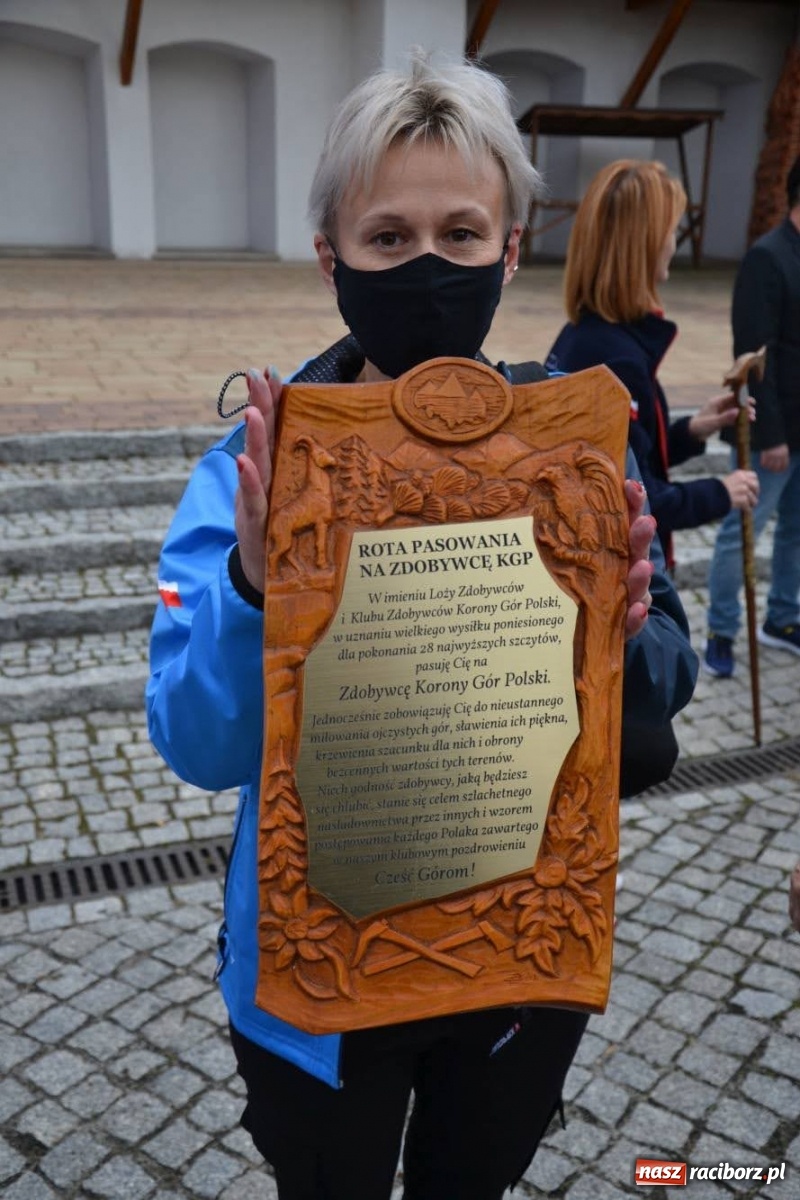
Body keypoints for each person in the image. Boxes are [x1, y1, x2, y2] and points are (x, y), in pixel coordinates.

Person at [146, 54, 698, 1200]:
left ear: (509, 250)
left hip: (513, 962)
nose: (427, 265)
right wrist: (256, 584)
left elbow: (663, 681)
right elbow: (197, 745)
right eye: (387, 238)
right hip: (322, 977)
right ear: (330, 256)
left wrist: (624, 633)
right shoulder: (249, 473)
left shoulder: (575, 446)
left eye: (460, 232)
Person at [545, 159, 759, 573]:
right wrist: (720, 491)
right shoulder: (617, 358)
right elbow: (633, 499)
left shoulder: (585, 334)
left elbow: (629, 455)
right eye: (669, 230)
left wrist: (692, 429)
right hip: (625, 576)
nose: (673, 243)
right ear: (642, 244)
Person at [704, 156, 800, 678]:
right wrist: (770, 434)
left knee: (796, 535)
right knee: (742, 531)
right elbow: (754, 353)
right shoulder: (768, 257)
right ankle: (721, 631)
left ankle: (783, 619)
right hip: (776, 433)